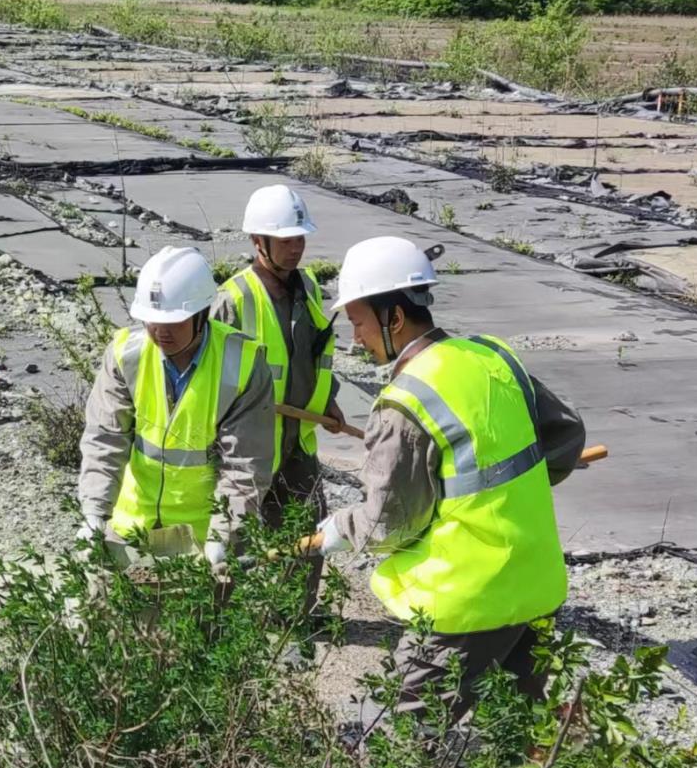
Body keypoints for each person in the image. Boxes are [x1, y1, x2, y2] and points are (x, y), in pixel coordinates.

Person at [312, 236, 586, 719]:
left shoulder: (404, 402)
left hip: (468, 601)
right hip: (536, 584)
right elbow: (564, 440)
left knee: (401, 737)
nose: (356, 338)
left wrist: (340, 529)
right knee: (517, 728)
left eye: (357, 322)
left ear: (393, 317)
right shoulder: (491, 357)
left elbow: (388, 523)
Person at [78, 245, 274, 567]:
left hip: (202, 537)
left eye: (174, 321)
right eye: (152, 320)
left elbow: (244, 465)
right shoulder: (126, 355)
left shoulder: (242, 365)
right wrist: (94, 514)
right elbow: (105, 439)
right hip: (132, 526)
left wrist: (222, 534)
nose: (160, 331)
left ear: (202, 313)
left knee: (201, 617)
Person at [209, 184, 339, 614]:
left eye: (299, 238)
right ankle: (217, 621)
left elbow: (314, 357)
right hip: (249, 444)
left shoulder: (310, 290)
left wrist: (329, 399)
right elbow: (216, 381)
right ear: (257, 242)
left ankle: (291, 615)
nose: (295, 248)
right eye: (285, 240)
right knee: (233, 530)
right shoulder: (234, 299)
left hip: (297, 438)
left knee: (308, 528)